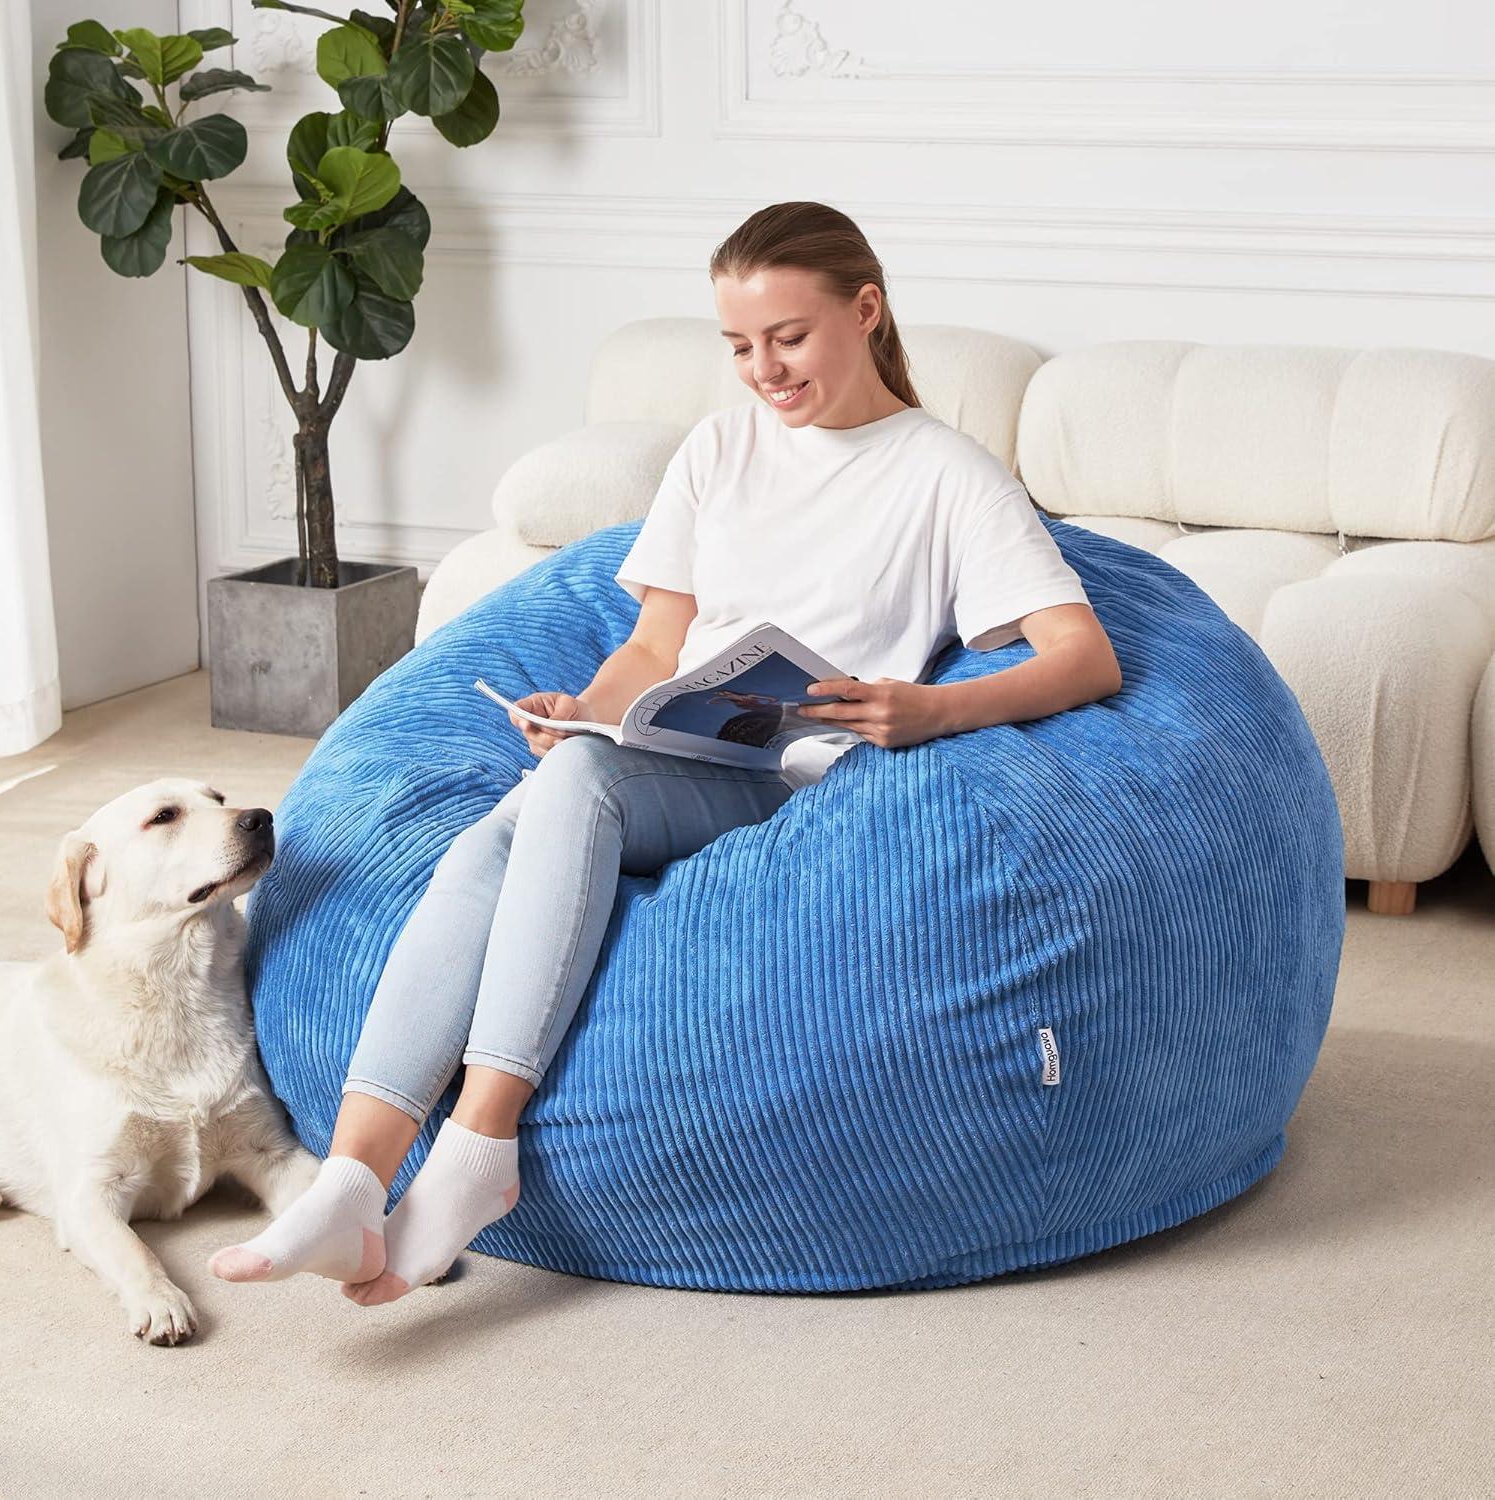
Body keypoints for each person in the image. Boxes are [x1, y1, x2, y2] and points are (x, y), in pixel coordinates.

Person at [207, 201, 1124, 1306]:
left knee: (577, 790)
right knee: (515, 818)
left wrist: (929, 709)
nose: (763, 370)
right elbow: (654, 641)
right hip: (685, 745)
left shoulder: (944, 472)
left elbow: (1085, 660)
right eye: (740, 346)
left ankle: (477, 1143)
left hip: (802, 776)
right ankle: (358, 1173)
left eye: (788, 337)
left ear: (866, 310)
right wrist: (582, 709)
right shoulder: (721, 447)